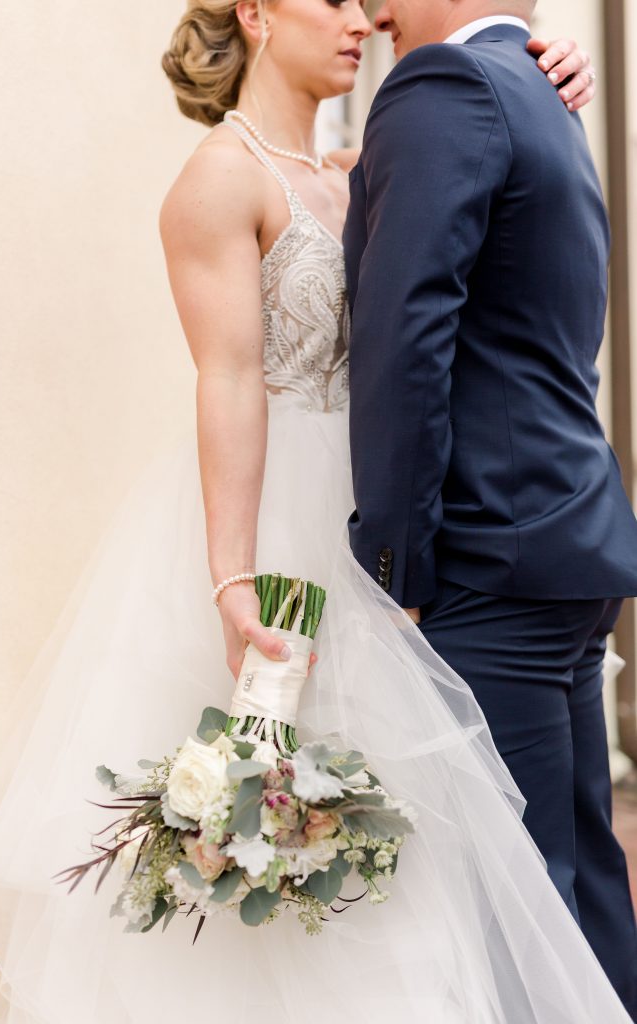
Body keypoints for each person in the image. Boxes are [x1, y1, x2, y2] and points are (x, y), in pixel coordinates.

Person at [0, 2, 630, 1022]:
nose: (362, 18)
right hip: (284, 529)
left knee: (453, 852)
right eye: (330, 0)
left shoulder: (369, 155)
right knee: (295, 835)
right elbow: (227, 382)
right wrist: (232, 576)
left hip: (384, 517)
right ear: (256, 14)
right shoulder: (218, 179)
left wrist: (543, 66)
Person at [344, 0, 637, 1017]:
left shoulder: (442, 87)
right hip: (566, 538)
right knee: (583, 883)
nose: (375, 13)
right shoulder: (542, 90)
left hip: (481, 553)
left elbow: (403, 334)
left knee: (508, 903)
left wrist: (392, 568)